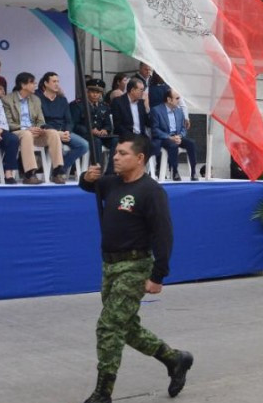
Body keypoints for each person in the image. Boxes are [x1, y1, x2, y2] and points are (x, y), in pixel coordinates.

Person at [78, 135, 194, 403]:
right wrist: (87, 177)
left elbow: (163, 235)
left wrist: (157, 275)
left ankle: (103, 392)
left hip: (135, 265)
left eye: (122, 153)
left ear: (139, 158)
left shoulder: (151, 191)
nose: (115, 158)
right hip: (110, 266)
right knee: (125, 327)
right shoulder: (112, 184)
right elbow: (88, 186)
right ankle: (175, 359)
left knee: (108, 326)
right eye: (115, 153)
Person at [3, 72, 67, 184]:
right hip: (17, 132)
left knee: (53, 133)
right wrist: (26, 128)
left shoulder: (35, 99)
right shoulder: (7, 100)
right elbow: (8, 123)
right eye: (32, 83)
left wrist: (38, 128)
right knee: (26, 134)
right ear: (23, 85)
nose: (35, 85)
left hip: (35, 132)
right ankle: (29, 174)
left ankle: (57, 171)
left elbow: (41, 120)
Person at [36, 71, 88, 178]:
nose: (57, 84)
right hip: (48, 132)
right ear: (46, 83)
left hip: (63, 131)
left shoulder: (62, 100)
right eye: (54, 81)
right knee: (56, 142)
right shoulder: (38, 99)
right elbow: (40, 121)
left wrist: (67, 131)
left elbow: (69, 120)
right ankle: (58, 170)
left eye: (58, 81)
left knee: (83, 145)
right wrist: (57, 132)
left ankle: (60, 169)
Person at [149, 89, 197, 181]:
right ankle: (174, 171)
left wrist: (180, 136)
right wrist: (169, 137)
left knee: (191, 143)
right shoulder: (156, 110)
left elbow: (183, 128)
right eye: (177, 98)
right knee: (173, 145)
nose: (179, 100)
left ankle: (194, 172)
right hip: (164, 137)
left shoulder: (179, 111)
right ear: (169, 99)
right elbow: (155, 130)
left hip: (177, 136)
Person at [73, 78, 116, 174]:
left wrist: (105, 130)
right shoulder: (78, 105)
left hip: (101, 135)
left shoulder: (104, 106)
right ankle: (97, 171)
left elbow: (108, 124)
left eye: (98, 92)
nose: (95, 94)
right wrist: (90, 130)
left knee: (116, 141)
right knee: (95, 141)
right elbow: (75, 125)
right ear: (87, 91)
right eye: (92, 91)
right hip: (85, 135)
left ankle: (111, 172)